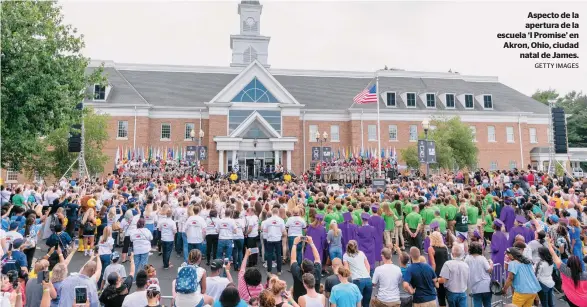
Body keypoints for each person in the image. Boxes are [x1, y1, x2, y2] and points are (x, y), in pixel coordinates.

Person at [546, 238, 586, 307]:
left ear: (568, 264)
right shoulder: (585, 275)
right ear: (579, 264)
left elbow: (553, 255)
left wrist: (549, 244)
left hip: (571, 299)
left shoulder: (564, 270)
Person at [291, 236, 321, 303]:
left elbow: (293, 259)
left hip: (298, 302)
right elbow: (317, 258)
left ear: (302, 268)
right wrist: (311, 243)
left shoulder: (297, 274)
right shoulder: (317, 272)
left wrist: (294, 244)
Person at [342, 240, 372, 307]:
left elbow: (346, 269)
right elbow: (367, 265)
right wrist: (367, 275)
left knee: (357, 303)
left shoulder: (345, 256)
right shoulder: (361, 253)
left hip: (357, 280)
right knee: (366, 303)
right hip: (368, 279)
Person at [465, 242, 493, 307]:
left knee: (477, 304)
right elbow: (489, 270)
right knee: (487, 304)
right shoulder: (482, 258)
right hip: (486, 285)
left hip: (474, 286)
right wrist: (491, 263)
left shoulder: (467, 258)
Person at [427, 231, 448, 307]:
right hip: (446, 271)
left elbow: (433, 263)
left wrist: (432, 275)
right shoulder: (445, 247)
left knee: (441, 296)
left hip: (438, 272)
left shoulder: (431, 248)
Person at [262, 208, 286, 275]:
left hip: (270, 239)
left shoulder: (268, 220)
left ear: (272, 212)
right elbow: (283, 230)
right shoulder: (281, 220)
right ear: (278, 212)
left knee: (269, 254)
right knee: (278, 255)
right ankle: (279, 271)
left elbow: (265, 230)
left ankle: (269, 270)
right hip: (278, 239)